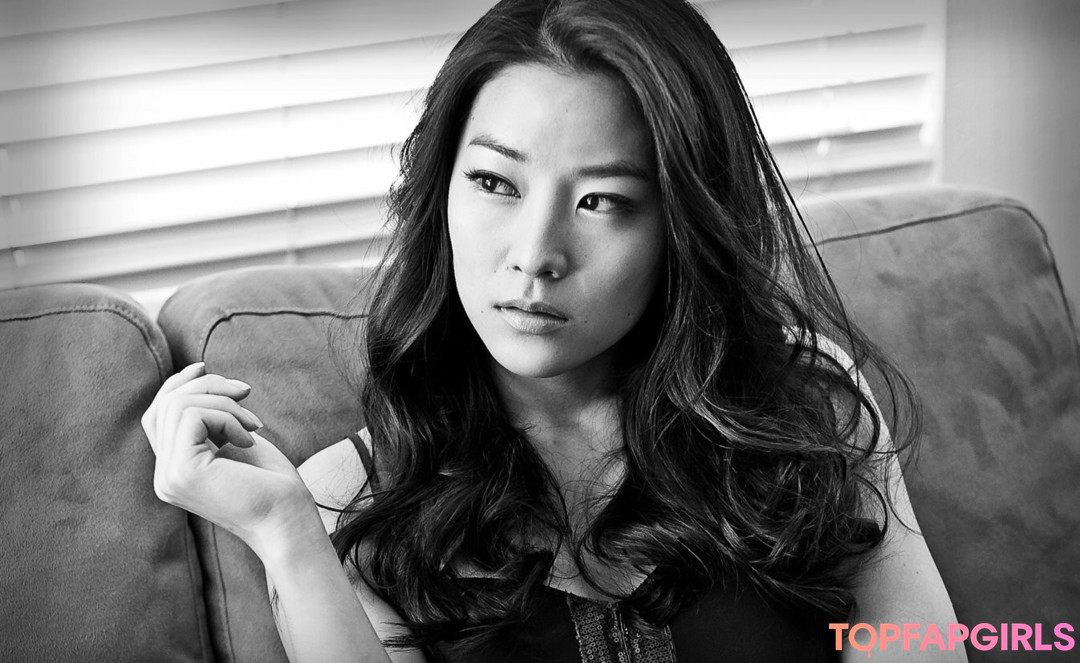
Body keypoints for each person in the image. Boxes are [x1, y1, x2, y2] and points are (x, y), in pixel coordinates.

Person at [142, 0, 965, 661]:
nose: (535, 255)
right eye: (496, 182)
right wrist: (288, 538)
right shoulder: (351, 499)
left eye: (602, 200)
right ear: (440, 192)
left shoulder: (805, 406)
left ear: (682, 225)